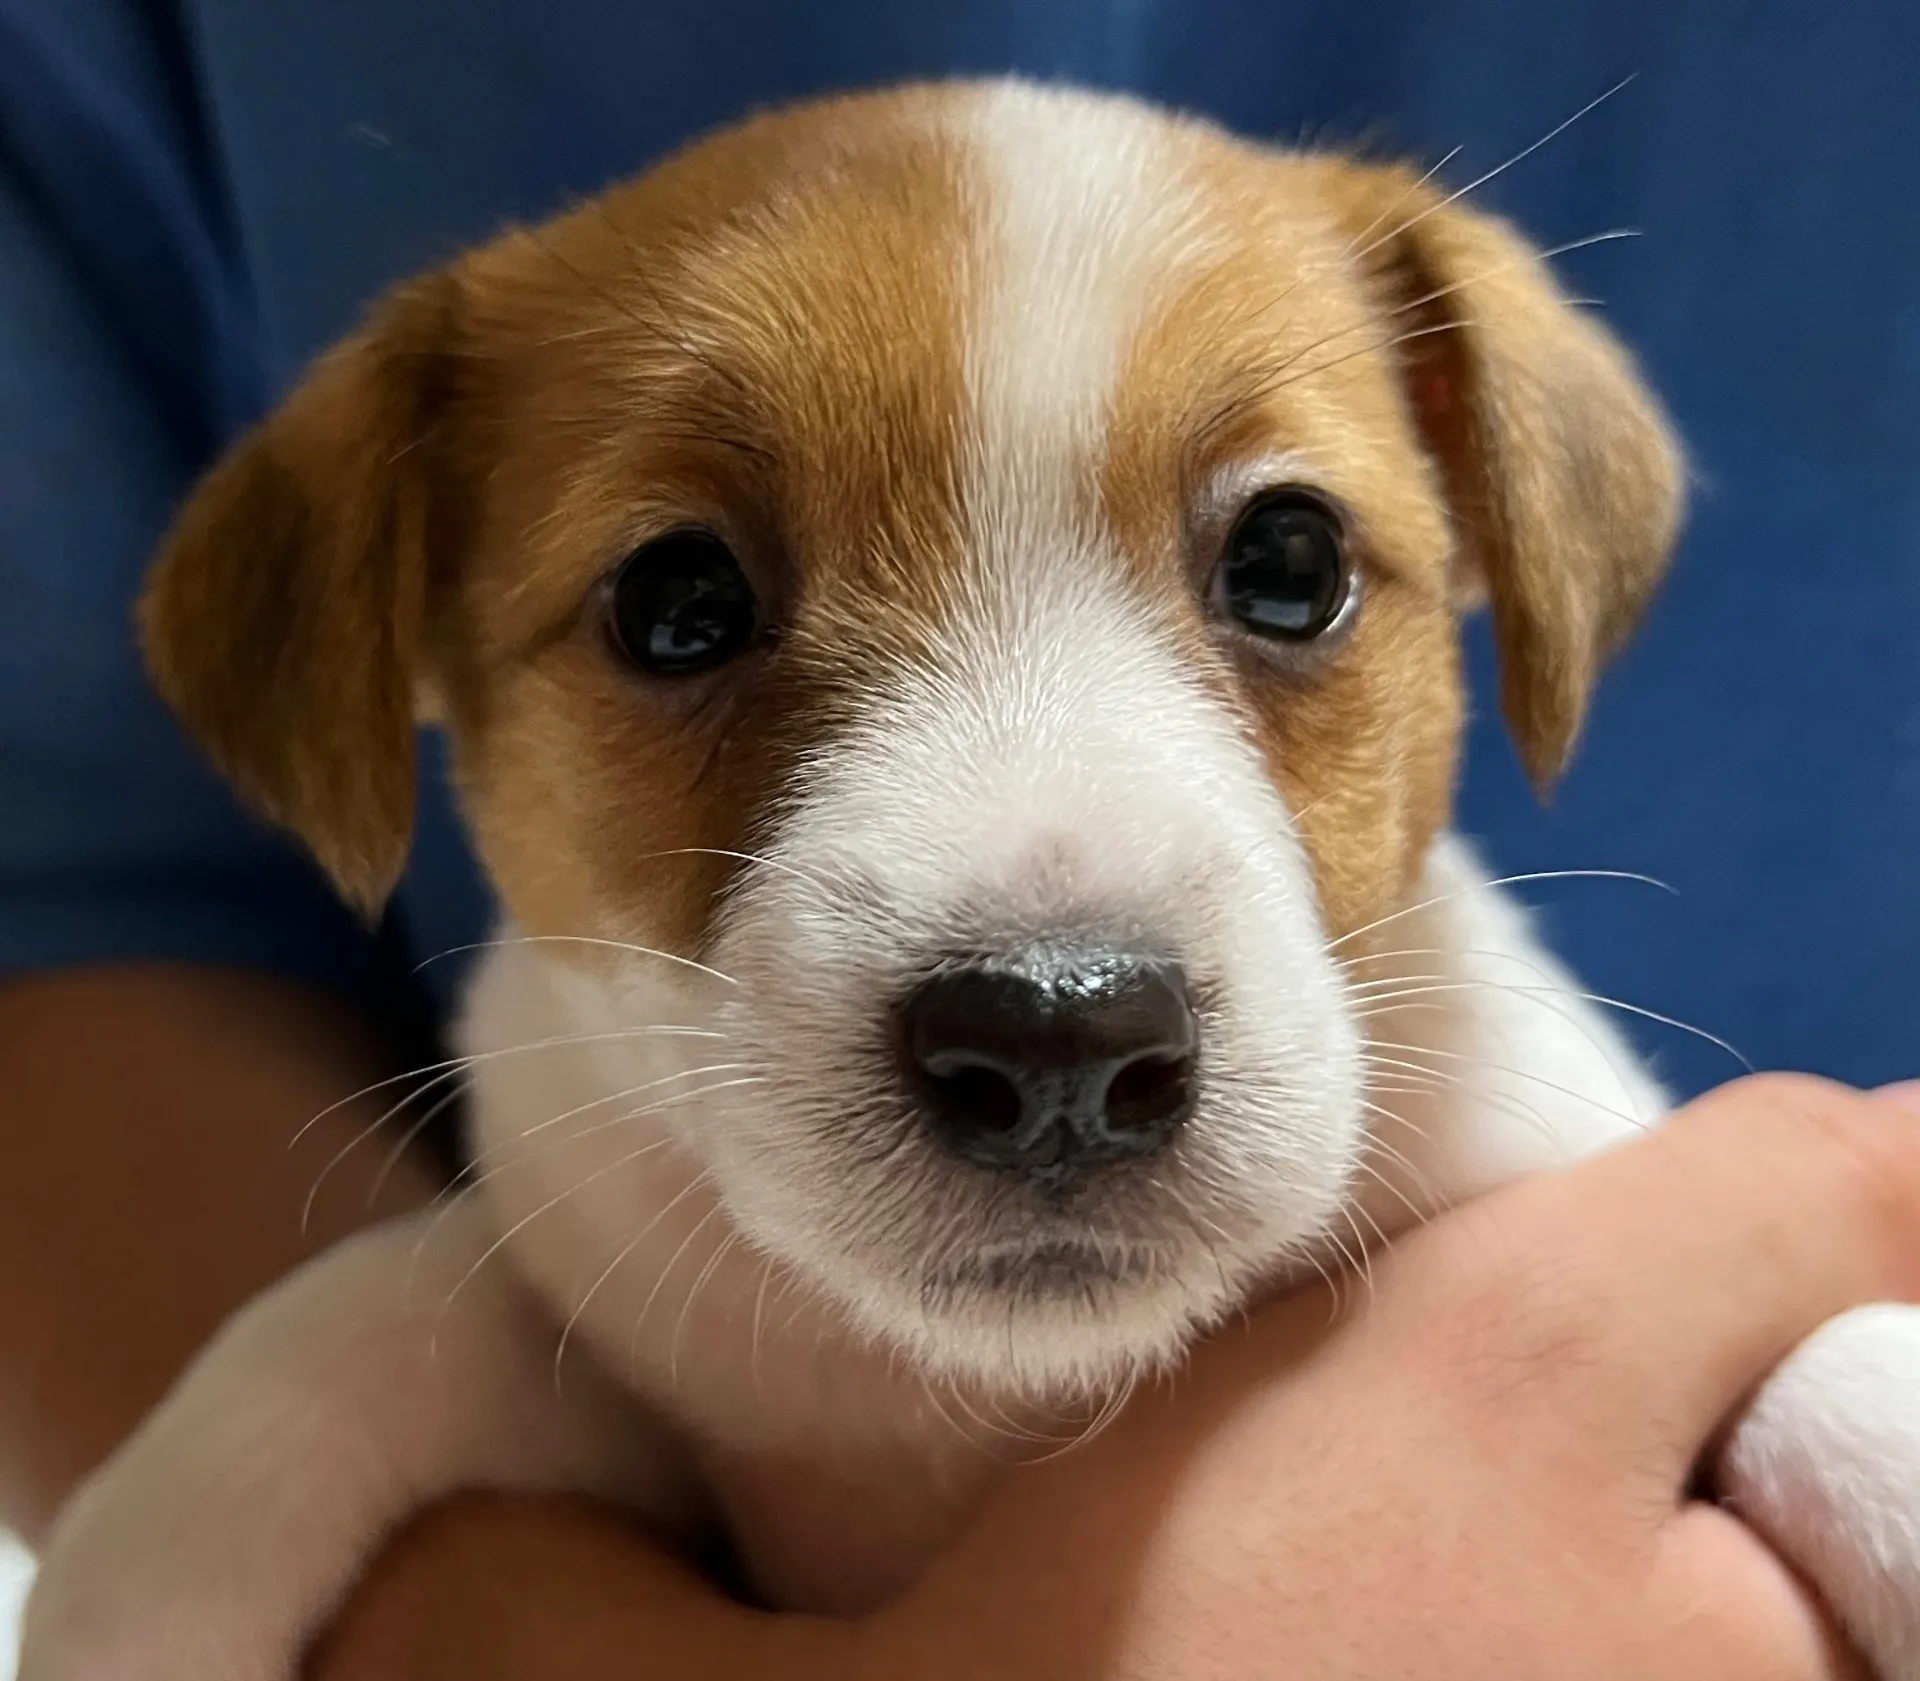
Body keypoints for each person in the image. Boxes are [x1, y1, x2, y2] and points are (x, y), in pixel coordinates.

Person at [0, 0, 1913, 1673]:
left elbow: (1759, 1365)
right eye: (685, 611)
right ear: (398, 648)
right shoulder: (565, 1142)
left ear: (1485, 541)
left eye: (1281, 570)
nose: (1054, 1000)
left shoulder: (1476, 1094)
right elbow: (539, 1359)